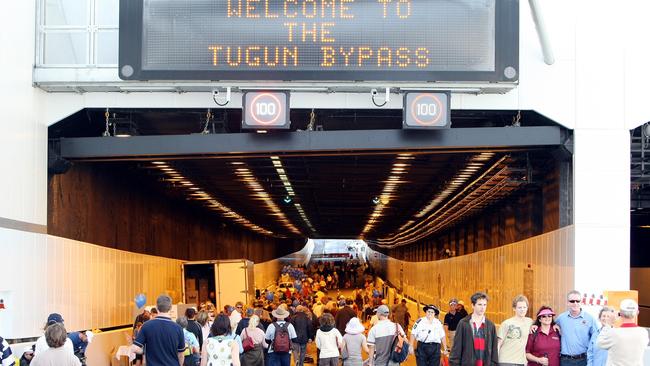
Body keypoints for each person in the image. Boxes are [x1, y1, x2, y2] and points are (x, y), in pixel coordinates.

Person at [131, 294, 186, 366]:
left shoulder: (146, 326)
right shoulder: (178, 328)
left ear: (156, 307)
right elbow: (181, 354)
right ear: (170, 308)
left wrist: (146, 351)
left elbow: (134, 348)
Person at [449, 292, 498, 366]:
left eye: (485, 305)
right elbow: (456, 349)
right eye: (479, 304)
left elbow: (494, 351)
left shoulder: (490, 326)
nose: (483, 307)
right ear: (473, 305)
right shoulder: (463, 324)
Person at [596, 299, 649, 366]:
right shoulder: (643, 333)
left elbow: (599, 343)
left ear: (620, 313)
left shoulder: (613, 333)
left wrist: (608, 325)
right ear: (637, 312)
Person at [554, 290, 596, 365]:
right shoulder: (561, 318)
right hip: (565, 361)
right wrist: (535, 325)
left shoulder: (590, 319)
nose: (575, 303)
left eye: (577, 301)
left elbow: (596, 338)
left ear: (581, 302)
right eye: (572, 301)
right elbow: (547, 325)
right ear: (567, 303)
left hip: (583, 360)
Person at [498, 295, 534, 366]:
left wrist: (555, 325)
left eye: (524, 307)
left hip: (521, 362)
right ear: (514, 308)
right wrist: (494, 361)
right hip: (506, 361)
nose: (522, 309)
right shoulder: (506, 323)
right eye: (519, 307)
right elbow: (498, 344)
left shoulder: (530, 322)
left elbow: (543, 324)